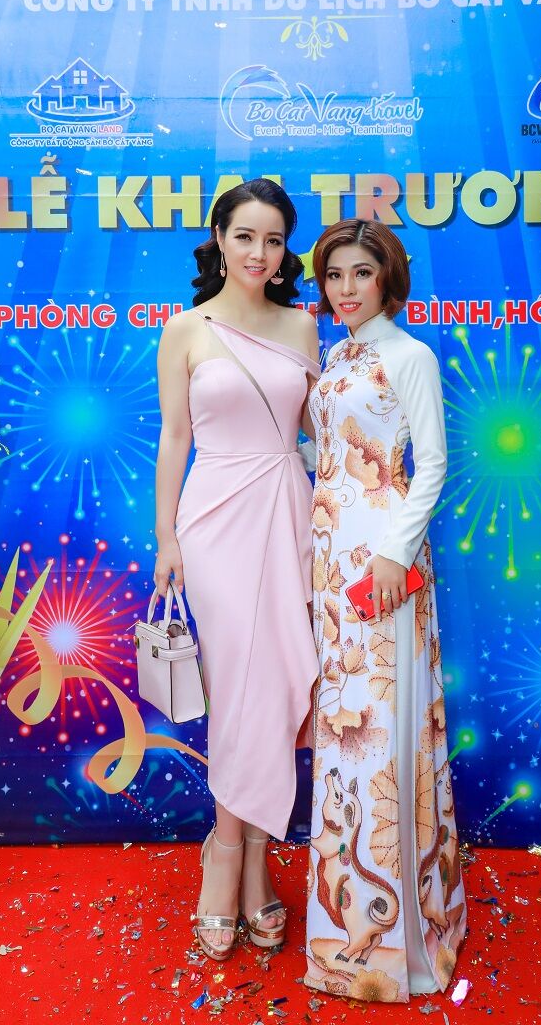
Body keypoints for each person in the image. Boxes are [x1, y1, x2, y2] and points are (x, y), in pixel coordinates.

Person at [153, 178, 320, 961]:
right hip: (213, 521)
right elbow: (175, 438)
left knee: (280, 685)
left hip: (289, 514)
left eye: (274, 240)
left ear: (286, 251)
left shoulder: (303, 326)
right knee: (236, 691)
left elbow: (319, 433)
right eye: (245, 236)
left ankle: (256, 859)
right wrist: (166, 538)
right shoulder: (184, 330)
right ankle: (226, 856)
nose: (259, 253)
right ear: (219, 238)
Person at [303, 219, 466, 1003]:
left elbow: (431, 463)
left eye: (361, 274)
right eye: (334, 275)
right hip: (332, 554)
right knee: (343, 729)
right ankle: (346, 923)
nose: (345, 289)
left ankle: (403, 947)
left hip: (383, 559)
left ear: (388, 278)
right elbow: (329, 457)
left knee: (384, 730)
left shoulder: (410, 355)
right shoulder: (337, 356)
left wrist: (395, 554)